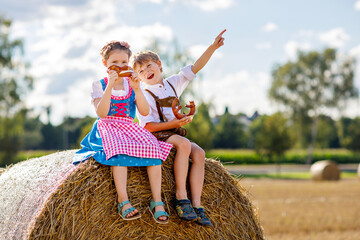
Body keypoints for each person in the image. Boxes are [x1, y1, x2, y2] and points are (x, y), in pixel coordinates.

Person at [130, 29, 226, 226]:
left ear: (159, 66)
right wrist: (174, 123)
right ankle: (180, 197)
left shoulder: (173, 84)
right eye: (140, 71)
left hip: (173, 131)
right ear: (138, 78)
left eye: (149, 65)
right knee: (184, 144)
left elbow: (195, 67)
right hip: (156, 135)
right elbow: (147, 127)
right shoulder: (144, 95)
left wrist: (213, 47)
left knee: (199, 154)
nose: (146, 71)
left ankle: (197, 205)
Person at [73, 41, 173, 224]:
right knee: (118, 148)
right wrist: (110, 86)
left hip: (129, 126)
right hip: (108, 126)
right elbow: (102, 113)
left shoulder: (132, 84)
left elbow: (143, 112)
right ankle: (123, 200)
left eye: (123, 63)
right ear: (105, 63)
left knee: (153, 146)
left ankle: (157, 201)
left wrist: (136, 89)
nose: (119, 67)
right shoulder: (100, 85)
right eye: (114, 63)